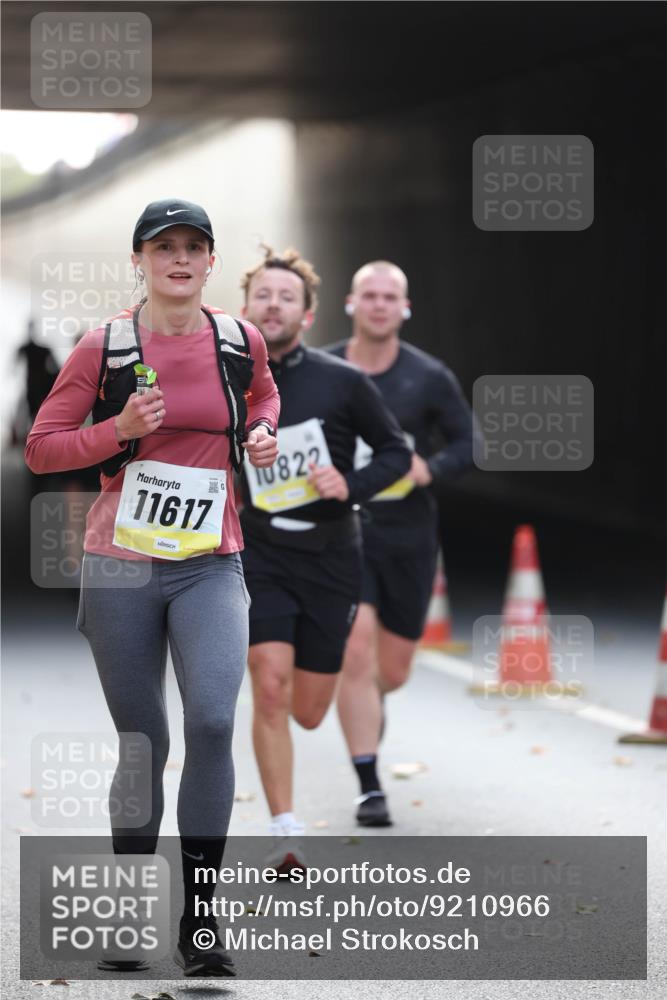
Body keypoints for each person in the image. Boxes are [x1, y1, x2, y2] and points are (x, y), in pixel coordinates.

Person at [25, 200, 280, 978]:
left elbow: (262, 398)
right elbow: (40, 449)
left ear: (209, 262)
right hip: (121, 566)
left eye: (193, 247)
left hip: (211, 560)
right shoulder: (104, 347)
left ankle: (199, 924)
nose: (179, 258)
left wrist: (263, 432)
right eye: (162, 246)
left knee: (209, 721)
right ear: (137, 259)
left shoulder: (240, 339)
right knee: (144, 744)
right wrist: (119, 431)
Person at [238, 246, 411, 867]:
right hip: (258, 553)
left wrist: (350, 485)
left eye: (288, 297)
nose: (275, 304)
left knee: (309, 711)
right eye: (264, 295)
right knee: (271, 687)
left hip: (331, 556)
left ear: (308, 315)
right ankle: (285, 828)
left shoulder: (343, 382)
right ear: (245, 307)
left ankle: (315, 756)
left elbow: (394, 453)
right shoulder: (225, 379)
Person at [327, 260, 475, 827]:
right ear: (351, 303)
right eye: (371, 295)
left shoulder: (428, 377)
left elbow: (468, 443)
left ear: (405, 308)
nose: (381, 305)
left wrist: (428, 470)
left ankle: (371, 696)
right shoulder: (325, 371)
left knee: (393, 668)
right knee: (354, 650)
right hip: (344, 532)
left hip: (408, 536)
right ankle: (369, 786)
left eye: (391, 297)